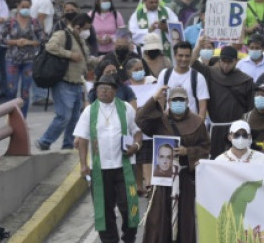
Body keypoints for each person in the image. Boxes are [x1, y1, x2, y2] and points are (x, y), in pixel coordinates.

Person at [136, 85, 210, 243]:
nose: (178, 103)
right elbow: (140, 119)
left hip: (185, 178)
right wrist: (155, 98)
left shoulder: (197, 122)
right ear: (168, 101)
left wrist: (188, 151)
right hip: (162, 179)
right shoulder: (159, 120)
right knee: (159, 219)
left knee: (185, 219)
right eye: (174, 99)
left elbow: (205, 148)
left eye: (181, 100)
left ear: (187, 101)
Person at [73, 74, 142, 243]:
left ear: (115, 91)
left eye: (108, 88)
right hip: (100, 168)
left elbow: (137, 132)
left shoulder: (126, 108)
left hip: (124, 166)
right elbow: (82, 138)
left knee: (128, 206)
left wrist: (136, 146)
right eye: (100, 88)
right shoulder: (90, 111)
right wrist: (83, 164)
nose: (104, 91)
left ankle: (129, 237)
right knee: (104, 209)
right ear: (96, 91)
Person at [37, 14, 99, 151]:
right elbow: (50, 47)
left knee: (75, 118)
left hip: (77, 82)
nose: (87, 32)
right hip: (64, 82)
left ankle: (68, 144)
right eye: (86, 29)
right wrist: (69, 54)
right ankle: (45, 140)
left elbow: (86, 61)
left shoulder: (80, 40)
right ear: (78, 27)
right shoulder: (61, 35)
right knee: (64, 116)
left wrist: (98, 61)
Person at [203, 45, 254, 157]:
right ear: (219, 60)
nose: (226, 65)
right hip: (216, 128)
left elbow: (250, 108)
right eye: (223, 61)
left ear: (236, 61)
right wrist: (199, 46)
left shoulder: (246, 80)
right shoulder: (210, 73)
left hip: (237, 130)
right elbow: (192, 65)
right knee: (216, 159)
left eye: (229, 62)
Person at [0, 0, 44, 116]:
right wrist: (15, 42)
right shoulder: (10, 21)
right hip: (12, 59)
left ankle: (23, 119)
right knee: (11, 90)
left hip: (28, 60)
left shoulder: (34, 22)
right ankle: (12, 116)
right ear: (17, 7)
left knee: (25, 91)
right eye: (22, 6)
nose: (25, 9)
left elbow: (42, 39)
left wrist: (29, 42)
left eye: (27, 7)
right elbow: (1, 39)